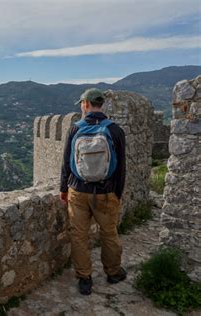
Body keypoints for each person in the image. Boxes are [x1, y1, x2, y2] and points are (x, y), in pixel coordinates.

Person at [59, 88, 127, 295]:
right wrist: (117, 193)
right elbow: (121, 167)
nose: (81, 106)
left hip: (78, 191)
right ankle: (113, 272)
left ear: (86, 104)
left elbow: (66, 164)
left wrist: (63, 190)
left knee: (79, 236)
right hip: (106, 193)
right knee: (109, 234)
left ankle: (84, 279)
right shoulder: (115, 130)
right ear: (102, 104)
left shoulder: (75, 129)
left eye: (81, 103)